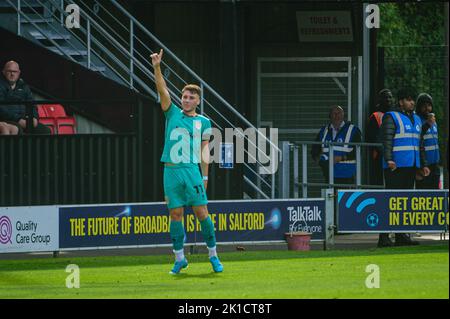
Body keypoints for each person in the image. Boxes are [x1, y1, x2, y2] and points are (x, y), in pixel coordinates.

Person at [150, 49, 223, 275]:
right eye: (184, 96)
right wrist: (157, 67)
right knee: (175, 215)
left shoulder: (204, 122)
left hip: (192, 171)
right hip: (171, 171)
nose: (187, 99)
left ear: (198, 100)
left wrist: (205, 176)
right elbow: (162, 89)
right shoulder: (171, 113)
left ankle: (213, 255)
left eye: (191, 97)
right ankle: (179, 258)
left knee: (202, 213)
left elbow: (204, 152)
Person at [379, 87, 430, 247]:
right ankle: (384, 237)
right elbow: (386, 140)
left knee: (405, 203)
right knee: (390, 202)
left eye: (412, 100)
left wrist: (423, 164)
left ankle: (402, 235)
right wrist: (388, 159)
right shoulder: (391, 116)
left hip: (410, 166)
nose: (412, 102)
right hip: (395, 166)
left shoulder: (415, 119)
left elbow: (419, 143)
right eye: (408, 100)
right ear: (401, 102)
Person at [311, 105, 362, 186]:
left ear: (343, 115)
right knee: (330, 197)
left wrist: (341, 158)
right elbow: (315, 149)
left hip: (347, 174)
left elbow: (359, 151)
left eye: (339, 113)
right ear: (330, 116)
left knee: (344, 198)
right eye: (334, 113)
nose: (336, 115)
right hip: (328, 174)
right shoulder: (324, 130)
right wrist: (320, 162)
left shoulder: (353, 130)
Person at [0, 61, 50, 135]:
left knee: (45, 131)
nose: (12, 74)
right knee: (18, 130)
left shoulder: (24, 86)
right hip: (8, 119)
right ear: (3, 72)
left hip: (25, 119)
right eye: (9, 71)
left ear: (19, 73)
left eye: (15, 71)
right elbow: (1, 108)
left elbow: (32, 104)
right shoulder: (1, 85)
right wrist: (18, 119)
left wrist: (34, 118)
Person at [366, 89, 395, 186]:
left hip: (394, 153)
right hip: (379, 155)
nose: (388, 99)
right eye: (385, 97)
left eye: (390, 97)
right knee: (380, 181)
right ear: (380, 100)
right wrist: (384, 151)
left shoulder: (395, 115)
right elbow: (372, 137)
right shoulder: (375, 116)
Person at [415, 93, 441, 189]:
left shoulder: (434, 122)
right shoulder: (417, 120)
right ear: (419, 107)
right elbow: (417, 138)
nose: (427, 108)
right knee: (424, 194)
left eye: (429, 105)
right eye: (424, 106)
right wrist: (427, 124)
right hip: (424, 165)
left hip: (435, 164)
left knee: (435, 194)